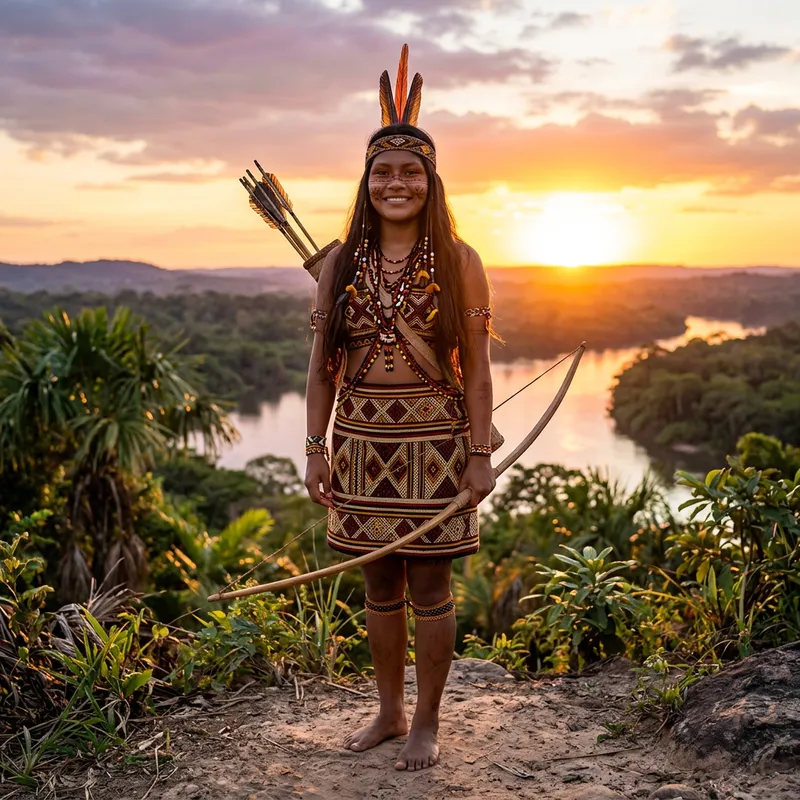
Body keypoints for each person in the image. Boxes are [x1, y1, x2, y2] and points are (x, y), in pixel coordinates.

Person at [303, 46, 497, 772]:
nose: (396, 182)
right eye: (382, 171)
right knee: (379, 583)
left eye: (411, 170)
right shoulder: (338, 264)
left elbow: (477, 369)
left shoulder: (460, 259)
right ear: (366, 182)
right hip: (358, 446)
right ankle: (386, 712)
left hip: (439, 450)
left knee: (432, 584)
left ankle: (427, 723)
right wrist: (316, 449)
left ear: (431, 180)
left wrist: (479, 454)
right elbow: (321, 368)